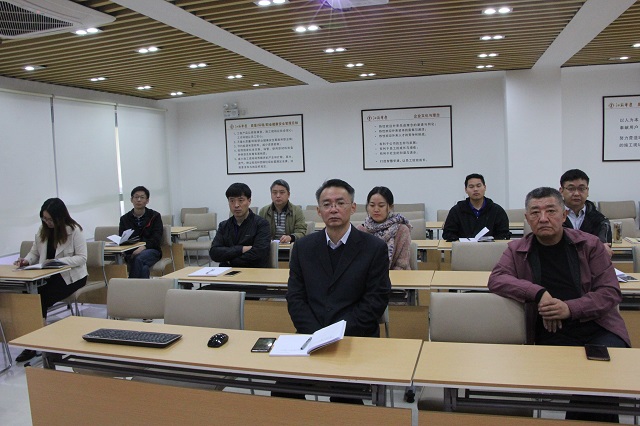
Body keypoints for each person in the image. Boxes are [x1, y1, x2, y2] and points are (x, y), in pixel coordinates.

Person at [488, 187, 630, 422]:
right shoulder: (517, 249)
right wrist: (538, 293)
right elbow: (497, 279)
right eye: (535, 212)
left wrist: (570, 309)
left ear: (564, 215)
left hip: (599, 328)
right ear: (527, 219)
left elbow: (609, 292)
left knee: (597, 375)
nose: (543, 218)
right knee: (588, 381)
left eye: (550, 211)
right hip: (551, 331)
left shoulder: (590, 245)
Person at [282, 179, 391, 402]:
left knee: (345, 397)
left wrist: (336, 334)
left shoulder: (373, 248)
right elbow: (295, 297)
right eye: (327, 204)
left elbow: (376, 300)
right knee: (283, 392)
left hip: (355, 336)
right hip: (311, 335)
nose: (333, 209)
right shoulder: (303, 247)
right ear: (318, 211)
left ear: (353, 207)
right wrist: (317, 335)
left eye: (340, 203)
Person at [14, 198, 87, 362]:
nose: (47, 222)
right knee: (27, 295)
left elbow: (82, 258)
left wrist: (58, 261)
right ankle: (33, 337)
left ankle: (36, 343)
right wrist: (26, 261)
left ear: (60, 217)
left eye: (50, 219)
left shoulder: (74, 230)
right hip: (48, 274)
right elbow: (34, 253)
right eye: (44, 219)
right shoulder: (43, 230)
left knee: (40, 297)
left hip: (72, 276)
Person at [209, 182, 270, 268]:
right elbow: (214, 253)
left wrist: (229, 261)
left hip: (253, 271)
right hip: (226, 271)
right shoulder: (224, 226)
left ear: (249, 201)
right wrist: (241, 249)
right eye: (232, 201)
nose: (236, 205)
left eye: (241, 200)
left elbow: (259, 254)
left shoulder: (261, 224)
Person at [559, 168, 612, 256]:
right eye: (571, 188)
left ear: (587, 191)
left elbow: (603, 250)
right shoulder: (552, 218)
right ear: (561, 191)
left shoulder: (601, 221)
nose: (576, 193)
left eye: (581, 189)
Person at [442, 173, 510, 241]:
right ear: (466, 190)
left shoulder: (497, 210)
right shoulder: (457, 210)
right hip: (463, 247)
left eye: (478, 186)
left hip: (489, 247)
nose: (475, 189)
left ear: (485, 187)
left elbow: (503, 234)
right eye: (471, 187)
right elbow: (448, 234)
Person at [357, 186, 412, 270]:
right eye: (372, 205)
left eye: (381, 205)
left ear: (390, 207)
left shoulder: (402, 230)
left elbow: (402, 265)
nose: (376, 209)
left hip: (395, 275)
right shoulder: (360, 230)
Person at [119, 186, 163, 278]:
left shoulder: (154, 216)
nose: (138, 200)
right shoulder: (124, 219)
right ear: (131, 200)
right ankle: (143, 287)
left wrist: (143, 247)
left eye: (142, 197)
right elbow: (122, 239)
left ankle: (132, 285)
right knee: (143, 268)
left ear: (147, 201)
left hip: (151, 250)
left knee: (138, 259)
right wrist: (132, 250)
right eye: (136, 197)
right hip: (131, 252)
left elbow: (157, 238)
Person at [258, 179, 307, 243]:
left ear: (288, 194)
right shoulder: (264, 211)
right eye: (274, 193)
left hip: (290, 245)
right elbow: (259, 232)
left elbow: (301, 232)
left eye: (282, 192)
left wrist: (290, 237)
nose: (278, 196)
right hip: (270, 246)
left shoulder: (297, 211)